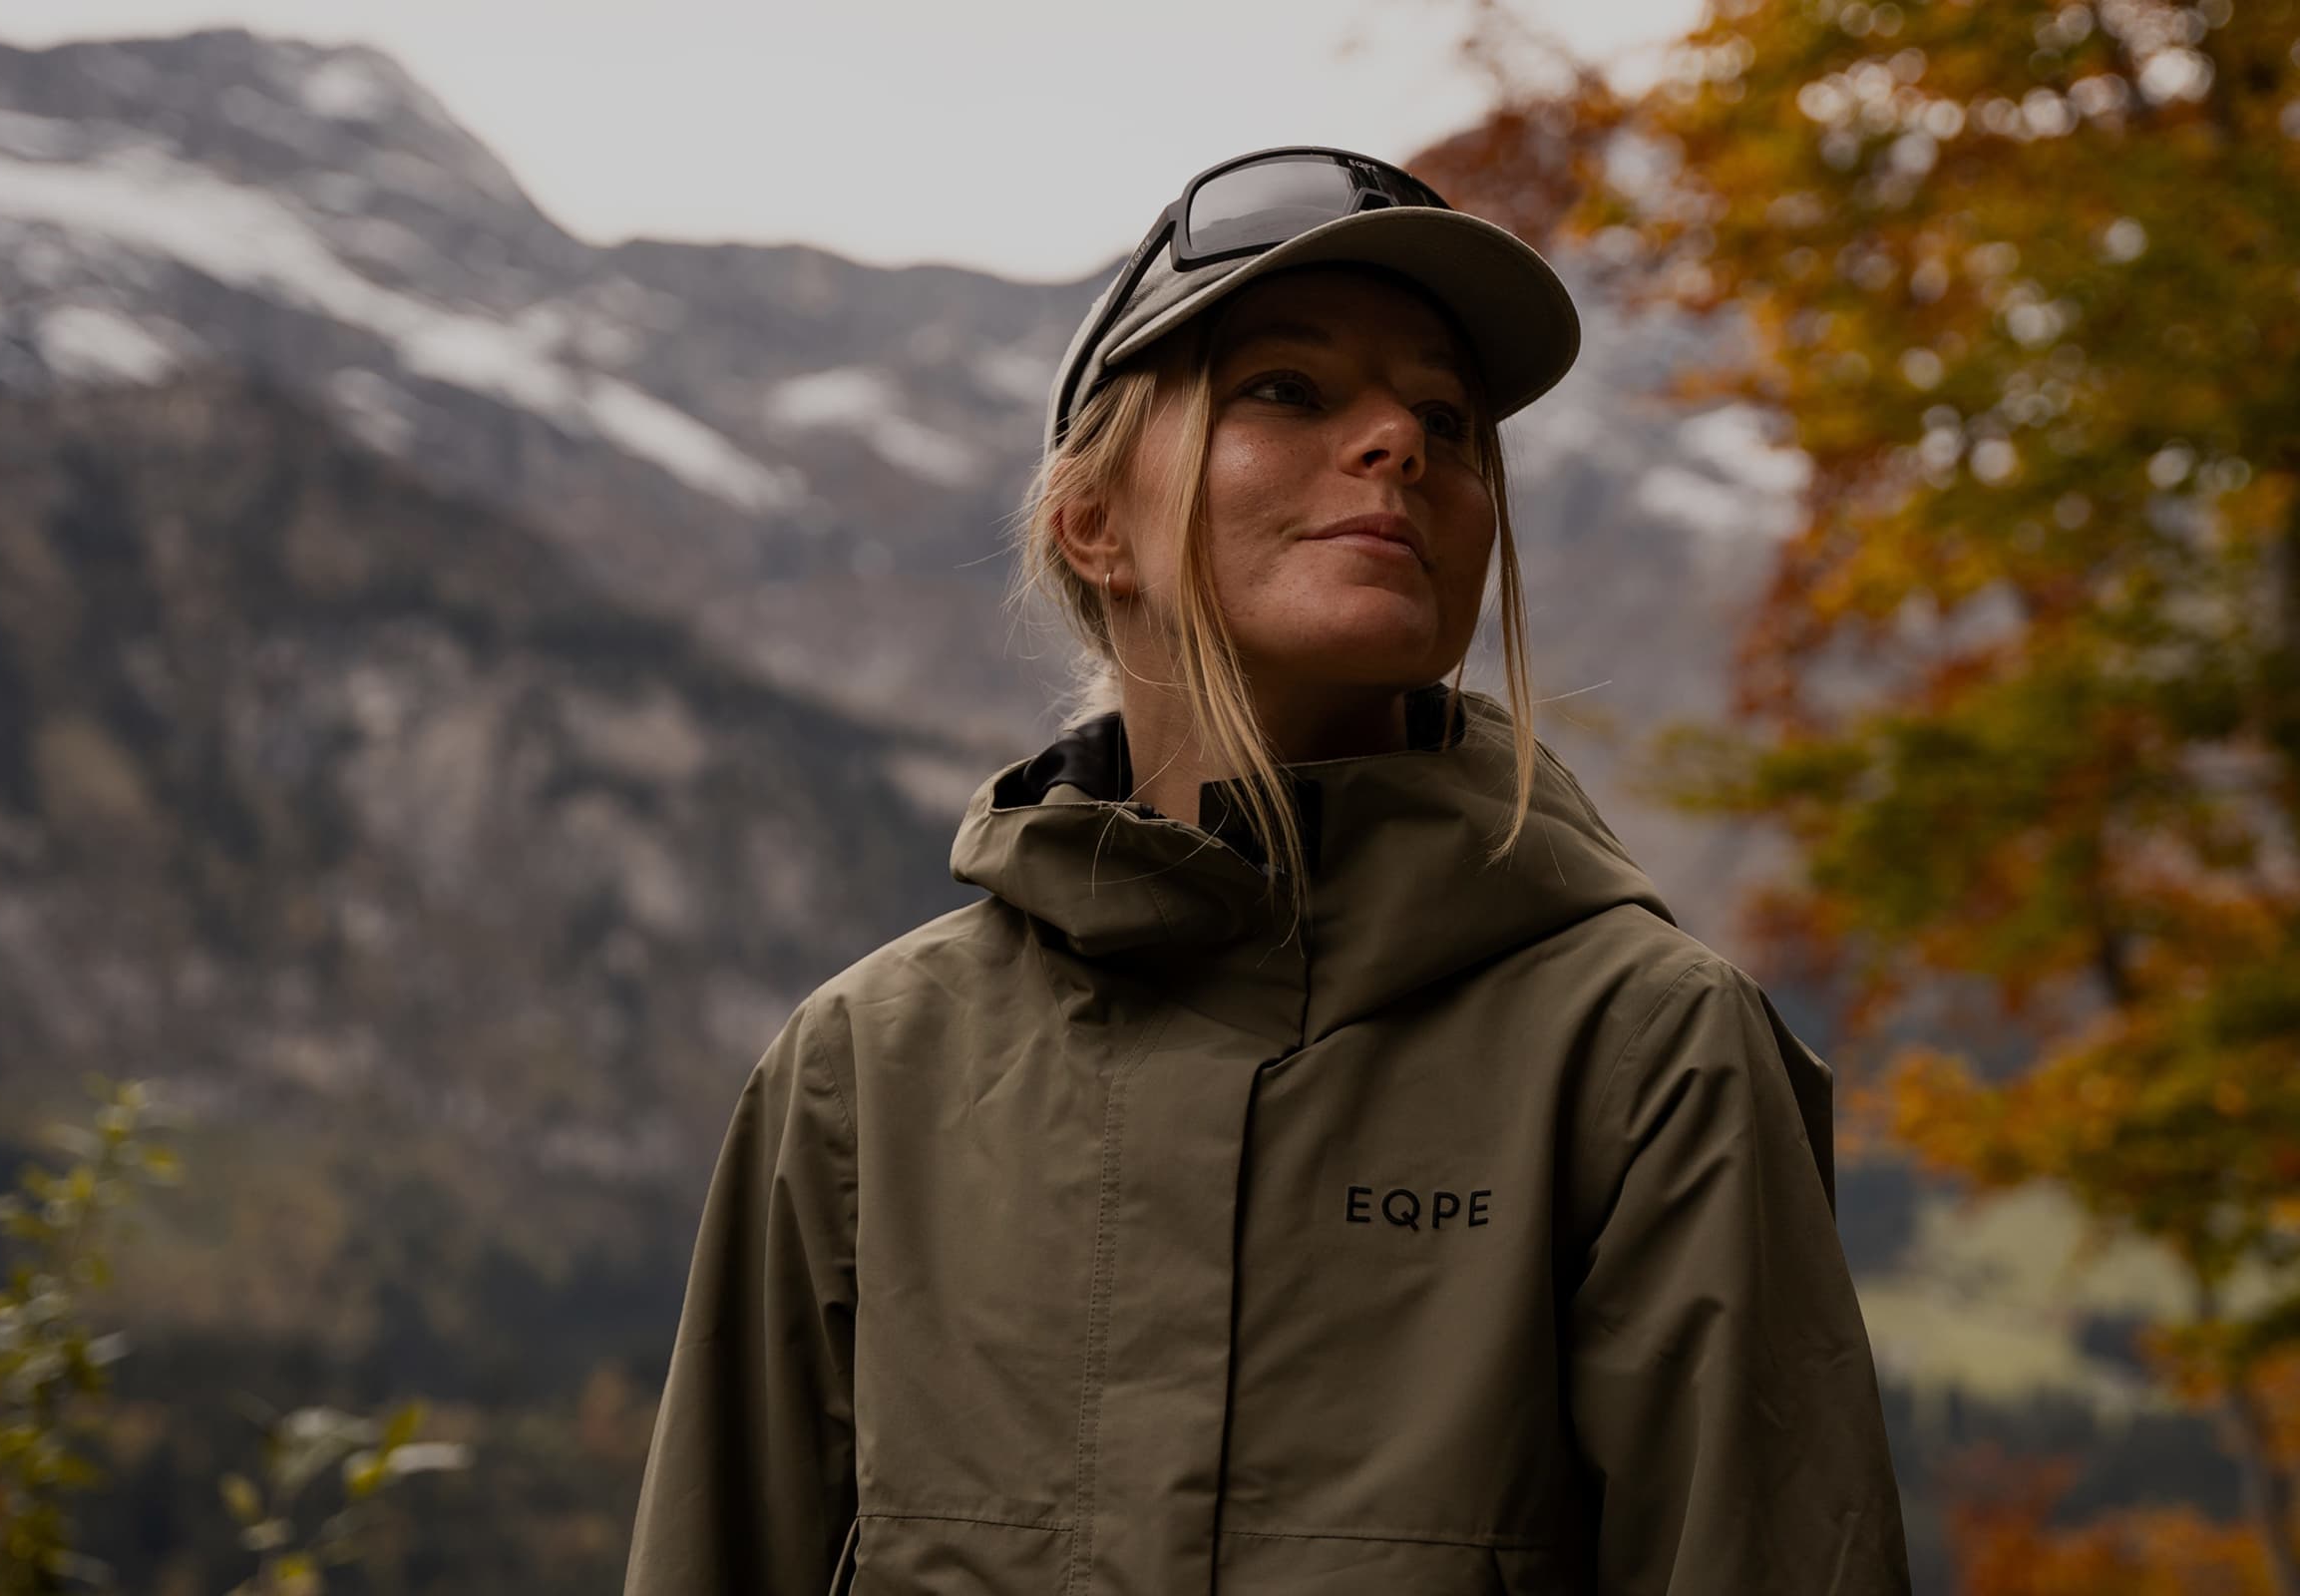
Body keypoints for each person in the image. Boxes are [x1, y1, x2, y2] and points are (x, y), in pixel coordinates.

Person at [623, 145, 1913, 1595]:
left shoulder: (1648, 1054)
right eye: (1288, 390)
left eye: (1448, 417)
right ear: (1093, 522)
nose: (1402, 446)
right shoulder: (864, 1069)